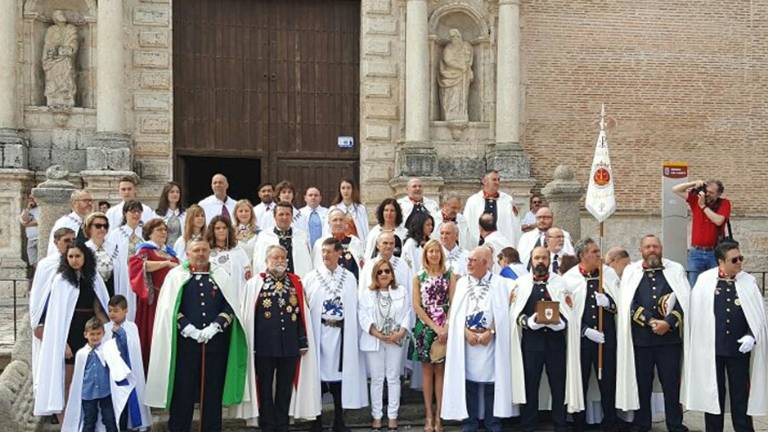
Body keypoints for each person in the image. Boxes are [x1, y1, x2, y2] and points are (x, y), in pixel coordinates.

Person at [145, 237, 248, 431]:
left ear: (209, 252)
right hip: (185, 345)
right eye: (196, 250)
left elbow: (230, 305)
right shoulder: (176, 276)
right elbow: (170, 309)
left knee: (212, 392)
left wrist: (215, 326)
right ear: (188, 253)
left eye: (204, 250)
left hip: (215, 343)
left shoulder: (220, 274)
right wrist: (188, 328)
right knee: (183, 391)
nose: (200, 254)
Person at [683, 241, 768, 432]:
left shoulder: (748, 281)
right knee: (713, 396)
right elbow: (697, 315)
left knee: (740, 396)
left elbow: (757, 316)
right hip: (712, 350)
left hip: (739, 350)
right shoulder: (705, 281)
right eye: (734, 260)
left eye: (740, 258)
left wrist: (751, 335)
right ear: (721, 261)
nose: (739, 262)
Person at [238, 244, 321, 429]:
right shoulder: (255, 284)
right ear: (267, 261)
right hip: (264, 346)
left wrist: (302, 340)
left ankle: (282, 424)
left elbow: (302, 314)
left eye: (282, 258)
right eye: (275, 258)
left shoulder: (295, 282)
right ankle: (267, 424)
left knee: (284, 389)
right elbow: (249, 316)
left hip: (289, 346)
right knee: (265, 388)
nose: (279, 261)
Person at [616, 235, 689, 432]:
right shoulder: (631, 272)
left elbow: (684, 301)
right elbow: (628, 303)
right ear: (641, 251)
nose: (652, 250)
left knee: (671, 385)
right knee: (642, 384)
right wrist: (649, 321)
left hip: (669, 341)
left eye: (655, 246)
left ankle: (675, 424)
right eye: (648, 247)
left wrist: (669, 322)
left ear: (661, 248)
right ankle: (642, 424)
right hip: (642, 340)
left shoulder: (675, 270)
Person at [33, 243, 110, 420]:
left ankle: (88, 421)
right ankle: (65, 423)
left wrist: (110, 330)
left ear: (85, 257)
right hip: (70, 331)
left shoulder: (93, 278)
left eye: (78, 256)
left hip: (90, 329)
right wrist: (63, 343)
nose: (74, 260)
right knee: (68, 378)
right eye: (70, 257)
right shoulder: (61, 280)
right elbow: (57, 317)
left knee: (89, 377)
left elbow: (99, 307)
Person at [442, 247, 513, 432]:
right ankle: (470, 422)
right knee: (469, 383)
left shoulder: (501, 283)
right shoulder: (463, 283)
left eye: (473, 260)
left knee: (492, 383)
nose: (469, 263)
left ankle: (493, 423)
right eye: (469, 260)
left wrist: (492, 331)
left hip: (490, 340)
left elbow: (506, 313)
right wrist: (465, 332)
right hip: (468, 341)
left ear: (485, 262)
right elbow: (456, 313)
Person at [305, 239, 368, 432]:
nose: (325, 255)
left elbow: (354, 306)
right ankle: (316, 420)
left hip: (341, 336)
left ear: (339, 253)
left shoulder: (349, 278)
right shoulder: (311, 277)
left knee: (340, 377)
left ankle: (339, 420)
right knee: (317, 376)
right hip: (319, 333)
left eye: (330, 252)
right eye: (323, 252)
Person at [509, 246, 570, 432]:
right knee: (530, 385)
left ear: (549, 259)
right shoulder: (521, 283)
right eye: (537, 258)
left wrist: (562, 323)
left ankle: (560, 424)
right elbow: (514, 313)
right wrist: (527, 322)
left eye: (544, 258)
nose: (540, 261)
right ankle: (528, 425)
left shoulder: (560, 283)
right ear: (531, 260)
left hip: (556, 343)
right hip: (531, 344)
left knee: (558, 385)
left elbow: (570, 310)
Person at [562, 239, 620, 432]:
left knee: (608, 382)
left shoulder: (608, 274)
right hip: (583, 341)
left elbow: (621, 303)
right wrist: (585, 330)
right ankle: (579, 423)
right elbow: (567, 312)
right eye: (594, 252)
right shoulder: (570, 279)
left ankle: (610, 421)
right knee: (582, 381)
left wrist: (609, 303)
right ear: (582, 255)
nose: (598, 255)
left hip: (607, 339)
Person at [359, 259, 411, 431]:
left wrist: (401, 332)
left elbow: (407, 312)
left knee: (394, 377)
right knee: (377, 379)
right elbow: (363, 315)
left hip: (395, 340)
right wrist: (376, 333)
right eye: (380, 272)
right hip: (375, 339)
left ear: (392, 274)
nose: (384, 274)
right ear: (375, 274)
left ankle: (393, 416)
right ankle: (376, 416)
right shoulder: (367, 293)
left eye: (387, 271)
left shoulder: (401, 291)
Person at [410, 240, 456, 432]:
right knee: (427, 372)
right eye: (431, 251)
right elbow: (416, 305)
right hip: (426, 328)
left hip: (445, 326)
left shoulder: (449, 275)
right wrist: (434, 327)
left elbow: (453, 302)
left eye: (437, 251)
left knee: (441, 372)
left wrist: (444, 326)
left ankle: (440, 416)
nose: (434, 254)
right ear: (426, 254)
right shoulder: (418, 277)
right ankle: (428, 415)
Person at [61, 317, 132, 432]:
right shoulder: (81, 354)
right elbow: (78, 377)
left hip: (105, 393)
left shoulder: (107, 350)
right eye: (92, 334)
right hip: (88, 394)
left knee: (110, 420)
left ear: (103, 334)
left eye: (98, 334)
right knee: (89, 421)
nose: (95, 337)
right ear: (85, 335)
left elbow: (116, 364)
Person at [128, 218, 180, 369]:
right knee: (152, 335)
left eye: (165, 230)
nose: (163, 232)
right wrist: (165, 263)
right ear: (150, 234)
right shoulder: (145, 250)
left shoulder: (170, 252)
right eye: (159, 230)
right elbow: (137, 266)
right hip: (154, 300)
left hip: (169, 299)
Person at [29, 227, 75, 392]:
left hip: (72, 320)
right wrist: (39, 323)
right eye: (66, 241)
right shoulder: (46, 265)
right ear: (56, 243)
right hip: (50, 320)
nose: (70, 244)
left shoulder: (79, 262)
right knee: (53, 364)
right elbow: (39, 295)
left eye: (73, 240)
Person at [104, 295, 152, 431]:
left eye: (116, 310)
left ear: (125, 311)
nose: (112, 314)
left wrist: (120, 333)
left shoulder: (132, 327)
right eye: (110, 310)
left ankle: (135, 425)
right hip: (113, 375)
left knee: (129, 401)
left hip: (129, 371)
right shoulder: (106, 328)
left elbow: (132, 346)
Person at [672, 179, 731, 286]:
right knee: (693, 285)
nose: (708, 194)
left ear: (719, 194)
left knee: (714, 285)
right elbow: (675, 189)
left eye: (712, 193)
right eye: (707, 191)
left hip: (714, 252)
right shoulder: (696, 200)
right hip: (696, 253)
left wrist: (703, 206)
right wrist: (693, 183)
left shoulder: (724, 203)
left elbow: (719, 221)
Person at [105, 200, 145, 321]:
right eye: (132, 211)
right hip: (123, 275)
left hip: (142, 275)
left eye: (138, 211)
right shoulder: (116, 233)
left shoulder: (145, 232)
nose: (136, 214)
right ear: (125, 213)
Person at [252, 201, 313, 278]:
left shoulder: (301, 236)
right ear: (274, 216)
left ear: (292, 216)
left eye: (288, 214)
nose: (285, 217)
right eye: (281, 214)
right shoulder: (264, 236)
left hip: (296, 282)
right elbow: (258, 263)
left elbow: (307, 262)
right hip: (271, 284)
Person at [463, 170, 522, 248]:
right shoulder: (473, 201)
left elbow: (514, 224)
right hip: (479, 245)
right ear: (484, 181)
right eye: (494, 180)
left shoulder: (507, 200)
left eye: (498, 180)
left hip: (502, 245)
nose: (497, 182)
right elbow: (467, 224)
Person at [312, 208, 365, 280]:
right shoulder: (320, 243)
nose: (338, 223)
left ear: (345, 223)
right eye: (335, 220)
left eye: (341, 220)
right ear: (329, 223)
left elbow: (362, 268)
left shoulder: (356, 243)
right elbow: (317, 268)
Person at [207, 215, 252, 296]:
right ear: (212, 231)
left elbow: (247, 277)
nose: (221, 230)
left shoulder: (238, 251)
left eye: (224, 228)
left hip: (236, 295)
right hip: (215, 295)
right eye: (217, 228)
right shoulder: (207, 253)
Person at [359, 232, 413, 297]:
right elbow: (362, 290)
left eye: (391, 243)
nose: (388, 246)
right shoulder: (369, 265)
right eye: (385, 243)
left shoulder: (402, 264)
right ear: (377, 245)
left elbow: (410, 290)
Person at [84, 212, 124, 299]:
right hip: (92, 293)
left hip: (112, 291)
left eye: (105, 226)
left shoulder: (114, 248)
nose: (102, 229)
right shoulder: (84, 249)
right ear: (89, 228)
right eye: (98, 226)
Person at [47, 189, 93, 255]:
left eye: (90, 200)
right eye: (85, 200)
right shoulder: (64, 222)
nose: (89, 203)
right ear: (74, 203)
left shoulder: (92, 221)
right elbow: (56, 249)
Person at [154, 181, 186, 248]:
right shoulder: (157, 214)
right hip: (162, 250)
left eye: (178, 192)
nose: (175, 194)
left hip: (181, 251)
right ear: (166, 194)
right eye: (172, 192)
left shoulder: (185, 214)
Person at [20, 194, 40, 265]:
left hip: (39, 238)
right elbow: (23, 220)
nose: (31, 200)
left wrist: (27, 224)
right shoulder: (26, 210)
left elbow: (40, 221)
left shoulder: (40, 209)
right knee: (33, 262)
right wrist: (28, 209)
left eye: (33, 198)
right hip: (30, 239)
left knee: (41, 261)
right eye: (30, 198)